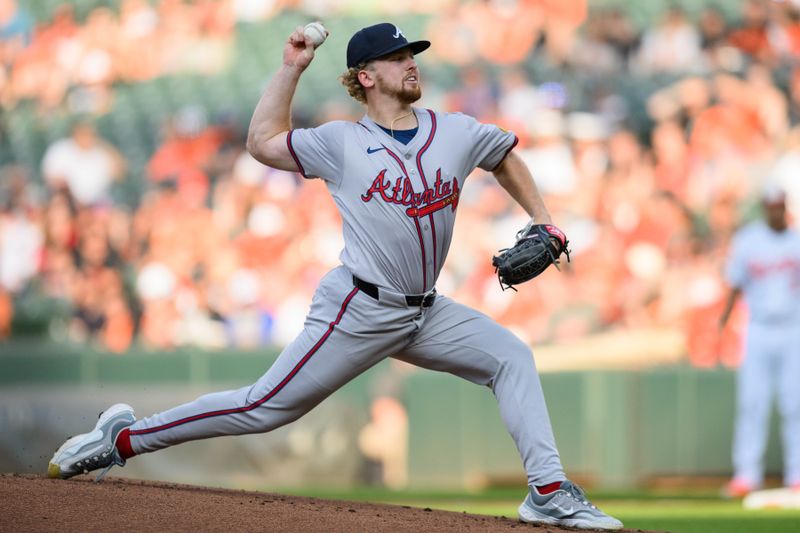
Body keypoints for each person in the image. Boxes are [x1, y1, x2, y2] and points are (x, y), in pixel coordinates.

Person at [47, 23, 622, 530]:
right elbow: (262, 144)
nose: (410, 61)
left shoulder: (454, 130)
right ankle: (122, 439)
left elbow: (504, 155)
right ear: (366, 77)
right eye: (398, 57)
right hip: (359, 307)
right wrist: (291, 68)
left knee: (510, 356)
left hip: (425, 311)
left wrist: (542, 218)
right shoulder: (342, 142)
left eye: (412, 53)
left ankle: (548, 492)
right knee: (264, 407)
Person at [719, 185, 800, 498]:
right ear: (764, 207)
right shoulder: (748, 240)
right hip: (758, 328)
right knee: (753, 403)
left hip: (793, 328)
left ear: (785, 207)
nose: (775, 211)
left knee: (795, 403)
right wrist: (724, 321)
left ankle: (796, 474)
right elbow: (735, 284)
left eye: (779, 205)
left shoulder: (796, 241)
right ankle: (746, 475)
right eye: (771, 206)